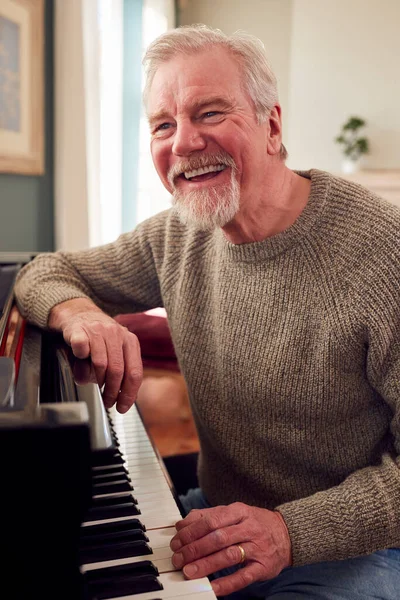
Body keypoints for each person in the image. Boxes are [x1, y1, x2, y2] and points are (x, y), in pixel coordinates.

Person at [15, 24, 400, 600]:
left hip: (358, 545)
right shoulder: (176, 236)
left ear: (271, 126)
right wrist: (81, 314)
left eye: (211, 113)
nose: (184, 143)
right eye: (163, 126)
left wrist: (291, 531)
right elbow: (40, 271)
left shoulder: (382, 254)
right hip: (221, 516)